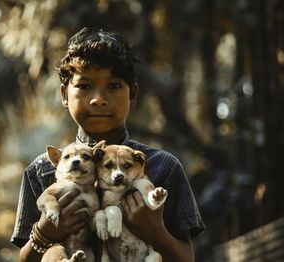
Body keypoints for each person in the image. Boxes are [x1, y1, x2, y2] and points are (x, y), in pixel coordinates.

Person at [11, 27, 205, 261]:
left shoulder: (163, 167)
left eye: (113, 86)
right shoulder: (41, 171)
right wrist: (43, 234)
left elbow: (187, 257)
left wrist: (156, 232)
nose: (98, 99)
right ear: (64, 94)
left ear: (133, 94)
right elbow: (24, 258)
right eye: (84, 86)